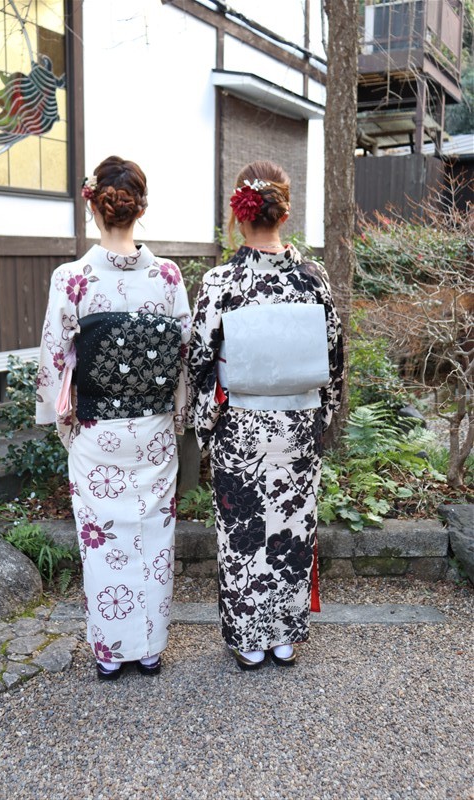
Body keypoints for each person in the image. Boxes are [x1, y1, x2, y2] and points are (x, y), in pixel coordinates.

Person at [36, 156, 191, 680]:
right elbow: (183, 355)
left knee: (102, 540)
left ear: (94, 206)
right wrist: (176, 417)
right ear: (139, 208)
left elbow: (56, 359)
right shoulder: (167, 276)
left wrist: (66, 425)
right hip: (152, 429)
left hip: (97, 431)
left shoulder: (72, 278)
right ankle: (149, 649)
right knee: (153, 536)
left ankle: (110, 650)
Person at [188, 160, 343, 671]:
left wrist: (206, 426)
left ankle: (249, 639)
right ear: (285, 212)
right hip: (298, 427)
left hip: (241, 429)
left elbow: (199, 363)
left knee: (243, 533)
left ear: (240, 212)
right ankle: (283, 637)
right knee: (291, 528)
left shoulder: (221, 281)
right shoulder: (313, 278)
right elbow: (334, 360)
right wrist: (322, 417)